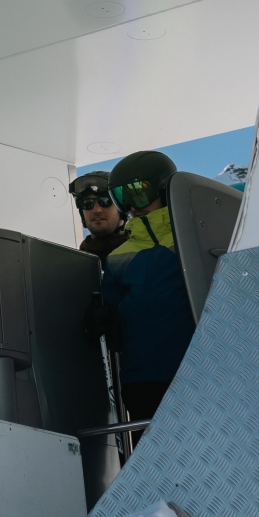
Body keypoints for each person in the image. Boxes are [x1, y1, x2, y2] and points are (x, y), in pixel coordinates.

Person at [94, 151, 196, 421]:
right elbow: (114, 322)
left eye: (139, 194)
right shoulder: (118, 257)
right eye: (122, 197)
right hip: (141, 380)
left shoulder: (192, 237)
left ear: (165, 190)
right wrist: (102, 320)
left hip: (195, 370)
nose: (132, 206)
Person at [69, 171, 128, 262]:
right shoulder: (76, 262)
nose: (96, 210)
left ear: (121, 208)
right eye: (88, 203)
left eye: (105, 201)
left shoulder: (142, 255)